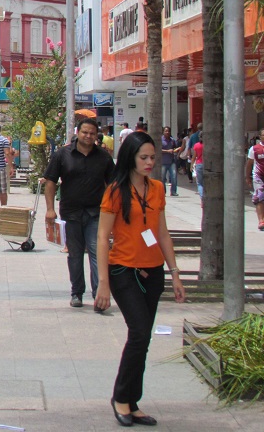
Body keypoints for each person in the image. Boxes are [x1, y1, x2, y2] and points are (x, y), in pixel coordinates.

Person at [95, 131, 185, 427]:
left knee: (143, 339)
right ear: (130, 158)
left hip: (154, 271)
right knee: (140, 332)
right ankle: (121, 397)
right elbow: (101, 237)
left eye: (152, 157)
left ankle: (132, 402)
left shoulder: (157, 189)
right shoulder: (115, 191)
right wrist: (103, 283)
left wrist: (175, 273)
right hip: (124, 271)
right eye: (143, 157)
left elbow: (162, 233)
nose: (149, 162)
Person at [44, 118, 115, 309]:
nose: (88, 136)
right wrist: (50, 209)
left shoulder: (103, 157)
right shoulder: (62, 154)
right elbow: (50, 182)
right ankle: (77, 293)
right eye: (85, 132)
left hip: (96, 213)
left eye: (92, 133)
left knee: (97, 252)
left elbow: (113, 186)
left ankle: (99, 294)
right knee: (75, 255)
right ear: (78, 132)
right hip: (71, 213)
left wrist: (114, 212)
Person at [245, 129, 264, 230]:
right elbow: (249, 164)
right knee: (260, 198)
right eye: (263, 135)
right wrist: (247, 177)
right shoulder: (254, 149)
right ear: (260, 137)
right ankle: (261, 221)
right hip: (258, 176)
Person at [160, 126, 179, 197]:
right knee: (162, 178)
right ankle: (163, 191)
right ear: (163, 132)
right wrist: (167, 151)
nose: (167, 132)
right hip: (163, 162)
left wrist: (176, 150)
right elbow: (158, 150)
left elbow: (174, 148)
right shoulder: (160, 140)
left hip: (171, 162)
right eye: (166, 131)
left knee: (174, 176)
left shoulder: (172, 140)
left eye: (168, 131)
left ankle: (173, 191)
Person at [192, 132, 204, 207]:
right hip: (207, 165)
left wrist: (191, 165)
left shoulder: (196, 145)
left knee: (200, 183)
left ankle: (202, 198)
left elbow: (194, 157)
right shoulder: (208, 145)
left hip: (199, 164)